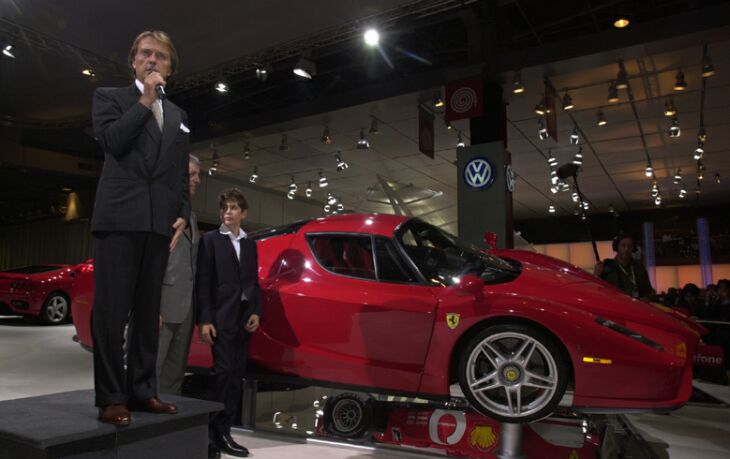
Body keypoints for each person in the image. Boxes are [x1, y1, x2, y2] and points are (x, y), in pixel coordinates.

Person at [90, 30, 190, 426]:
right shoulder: (109, 98)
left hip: (157, 224)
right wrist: (145, 100)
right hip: (118, 219)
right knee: (112, 315)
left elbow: (180, 171)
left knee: (149, 315)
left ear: (170, 67)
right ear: (133, 61)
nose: (153, 60)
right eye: (146, 54)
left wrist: (182, 209)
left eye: (161, 56)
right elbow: (113, 141)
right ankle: (112, 397)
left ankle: (144, 391)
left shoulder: (180, 117)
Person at [196, 188, 262, 458]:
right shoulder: (210, 240)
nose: (227, 212)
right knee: (221, 376)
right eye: (224, 208)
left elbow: (253, 284)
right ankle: (211, 436)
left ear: (243, 213)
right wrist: (205, 320)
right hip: (220, 319)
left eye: (233, 208)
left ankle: (225, 433)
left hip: (243, 319)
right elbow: (203, 282)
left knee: (236, 378)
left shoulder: (250, 244)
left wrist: (256, 311)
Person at [157, 154, 201, 395]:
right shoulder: (160, 210)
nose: (198, 180)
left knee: (174, 373)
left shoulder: (191, 217)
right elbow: (149, 262)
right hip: (162, 306)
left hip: (186, 308)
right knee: (151, 369)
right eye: (192, 174)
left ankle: (167, 426)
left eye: (198, 175)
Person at [594, 234, 654, 300]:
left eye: (630, 246)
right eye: (623, 245)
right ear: (617, 247)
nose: (626, 249)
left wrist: (646, 298)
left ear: (633, 248)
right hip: (616, 306)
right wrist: (596, 275)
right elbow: (597, 291)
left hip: (637, 307)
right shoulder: (606, 266)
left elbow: (648, 291)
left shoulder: (639, 268)